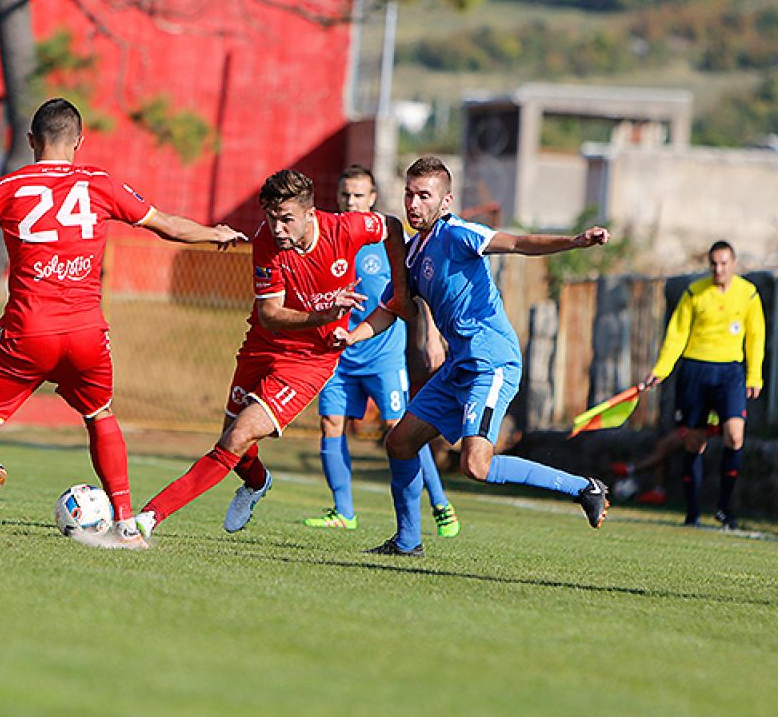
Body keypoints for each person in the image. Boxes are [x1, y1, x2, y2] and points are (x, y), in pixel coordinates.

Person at [0, 97, 244, 548]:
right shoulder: (100, 183)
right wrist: (216, 234)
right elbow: (167, 225)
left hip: (28, 332)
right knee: (99, 415)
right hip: (88, 334)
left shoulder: (7, 186)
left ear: (32, 140)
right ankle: (127, 521)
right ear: (79, 142)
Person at [341, 156, 611, 556]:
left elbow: (516, 242)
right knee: (399, 443)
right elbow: (390, 310)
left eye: (424, 196)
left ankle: (584, 488)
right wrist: (346, 338)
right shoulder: (414, 254)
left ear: (445, 201)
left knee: (476, 465)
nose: (413, 204)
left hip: (492, 362)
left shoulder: (458, 234)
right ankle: (407, 541)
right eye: (409, 194)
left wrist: (573, 241)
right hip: (458, 367)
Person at [133, 168, 411, 540]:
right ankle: (257, 483)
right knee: (235, 440)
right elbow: (271, 313)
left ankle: (147, 518)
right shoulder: (267, 241)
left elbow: (392, 227)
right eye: (271, 218)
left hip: (309, 361)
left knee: (235, 440)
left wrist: (401, 291)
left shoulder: (346, 229)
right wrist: (327, 313)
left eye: (286, 219)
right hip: (263, 344)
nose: (277, 228)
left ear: (310, 214)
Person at [304, 165, 458, 536]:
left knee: (400, 429)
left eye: (359, 195)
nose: (351, 202)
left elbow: (419, 291)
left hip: (383, 355)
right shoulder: (323, 239)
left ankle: (439, 502)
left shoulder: (390, 239)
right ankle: (343, 511)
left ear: (372, 199)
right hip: (338, 355)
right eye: (345, 195)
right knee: (330, 424)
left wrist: (433, 336)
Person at [643, 240, 765, 528]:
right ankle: (693, 511)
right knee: (694, 442)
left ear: (733, 264)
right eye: (714, 263)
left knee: (734, 436)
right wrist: (662, 369)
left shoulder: (748, 295)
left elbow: (756, 337)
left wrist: (754, 376)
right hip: (695, 370)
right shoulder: (694, 293)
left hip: (730, 373)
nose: (718, 269)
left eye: (724, 263)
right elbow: (677, 333)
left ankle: (725, 508)